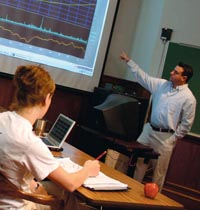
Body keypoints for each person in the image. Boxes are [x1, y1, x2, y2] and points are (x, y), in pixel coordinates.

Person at [0, 65, 100, 209]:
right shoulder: (29, 142)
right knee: (69, 195)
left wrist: (32, 184)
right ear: (46, 99)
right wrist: (87, 170)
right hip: (16, 206)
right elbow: (70, 183)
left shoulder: (2, 118)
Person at [120, 51, 196, 192]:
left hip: (165, 137)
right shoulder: (161, 85)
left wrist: (172, 139)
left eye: (176, 72)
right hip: (148, 130)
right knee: (138, 164)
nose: (171, 72)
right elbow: (143, 78)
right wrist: (129, 61)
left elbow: (186, 124)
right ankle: (132, 195)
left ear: (184, 78)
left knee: (158, 172)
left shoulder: (188, 98)